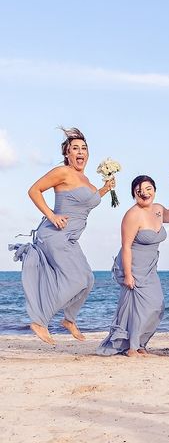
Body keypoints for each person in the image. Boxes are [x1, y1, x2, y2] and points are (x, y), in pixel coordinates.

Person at [9, 127, 115, 344]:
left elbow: (87, 203)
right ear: (67, 154)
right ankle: (40, 321)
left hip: (71, 238)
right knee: (75, 280)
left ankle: (69, 320)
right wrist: (52, 216)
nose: (80, 151)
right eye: (75, 148)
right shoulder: (63, 172)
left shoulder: (85, 179)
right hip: (55, 234)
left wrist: (105, 189)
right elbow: (33, 190)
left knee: (88, 279)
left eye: (84, 148)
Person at [97, 176, 169, 357]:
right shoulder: (132, 215)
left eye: (148, 188)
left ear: (154, 190)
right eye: (139, 190)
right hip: (133, 266)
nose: (144, 193)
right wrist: (129, 275)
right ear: (133, 193)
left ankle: (140, 344)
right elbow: (126, 247)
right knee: (138, 308)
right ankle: (132, 348)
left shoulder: (158, 209)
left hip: (150, 267)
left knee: (157, 306)